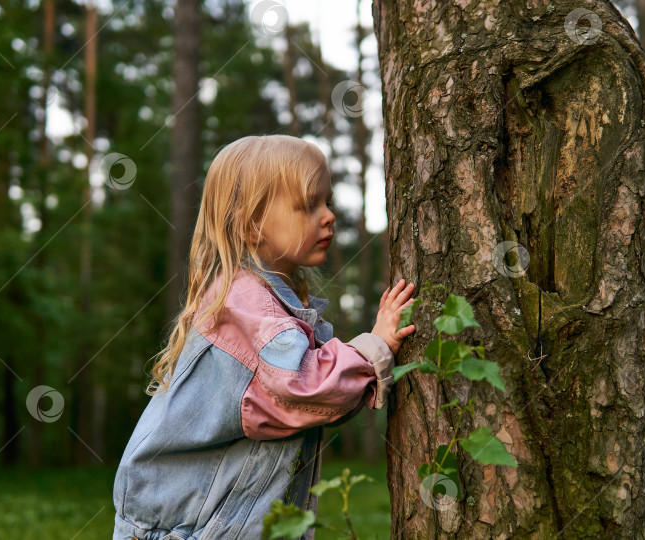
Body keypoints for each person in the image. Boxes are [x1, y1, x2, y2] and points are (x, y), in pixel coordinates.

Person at [111, 134, 417, 540]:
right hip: (186, 530)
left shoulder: (259, 298)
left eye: (328, 202)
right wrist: (376, 344)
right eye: (309, 205)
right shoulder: (247, 304)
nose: (328, 216)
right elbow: (304, 388)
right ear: (253, 223)